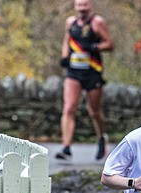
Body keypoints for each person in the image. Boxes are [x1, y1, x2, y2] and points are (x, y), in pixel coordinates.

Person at [56, 0, 113, 161]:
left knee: (94, 111)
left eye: (85, 5)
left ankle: (101, 137)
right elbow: (67, 40)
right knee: (69, 107)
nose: (82, 8)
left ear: (90, 6)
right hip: (74, 71)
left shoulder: (97, 23)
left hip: (92, 71)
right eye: (79, 5)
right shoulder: (70, 22)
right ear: (75, 7)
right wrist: (64, 56)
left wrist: (95, 47)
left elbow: (110, 44)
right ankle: (66, 147)